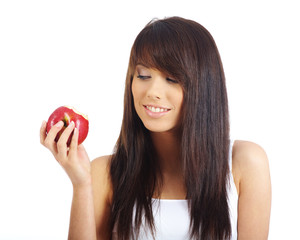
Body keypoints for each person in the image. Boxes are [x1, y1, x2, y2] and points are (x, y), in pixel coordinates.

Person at [40, 16, 271, 240]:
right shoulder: (105, 173)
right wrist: (81, 184)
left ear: (204, 87)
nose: (152, 91)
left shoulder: (245, 163)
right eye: (143, 75)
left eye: (171, 79)